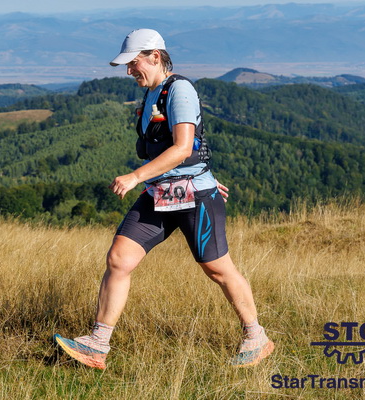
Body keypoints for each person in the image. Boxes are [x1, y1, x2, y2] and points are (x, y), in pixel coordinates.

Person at [54, 28, 274, 370]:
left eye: (133, 63)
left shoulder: (179, 90)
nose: (129, 71)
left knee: (217, 269)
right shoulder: (151, 94)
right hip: (160, 194)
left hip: (194, 196)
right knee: (119, 259)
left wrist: (136, 176)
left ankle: (256, 337)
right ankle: (97, 345)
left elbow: (183, 147)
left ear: (155, 56)